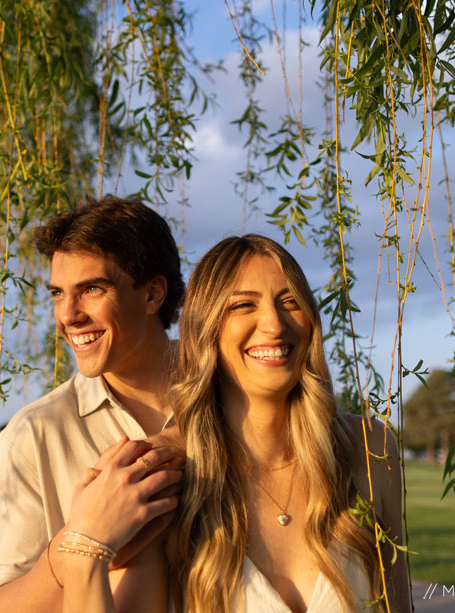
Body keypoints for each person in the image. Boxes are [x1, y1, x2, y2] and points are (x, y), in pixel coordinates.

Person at [60, 234, 411, 612]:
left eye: (290, 301)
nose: (274, 324)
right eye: (243, 305)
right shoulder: (159, 472)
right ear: (205, 329)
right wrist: (83, 552)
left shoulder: (369, 446)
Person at [0, 196, 185, 612]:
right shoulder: (31, 436)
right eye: (57, 294)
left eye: (91, 289)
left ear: (153, 294)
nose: (67, 315)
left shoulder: (237, 392)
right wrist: (81, 543)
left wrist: (184, 442)